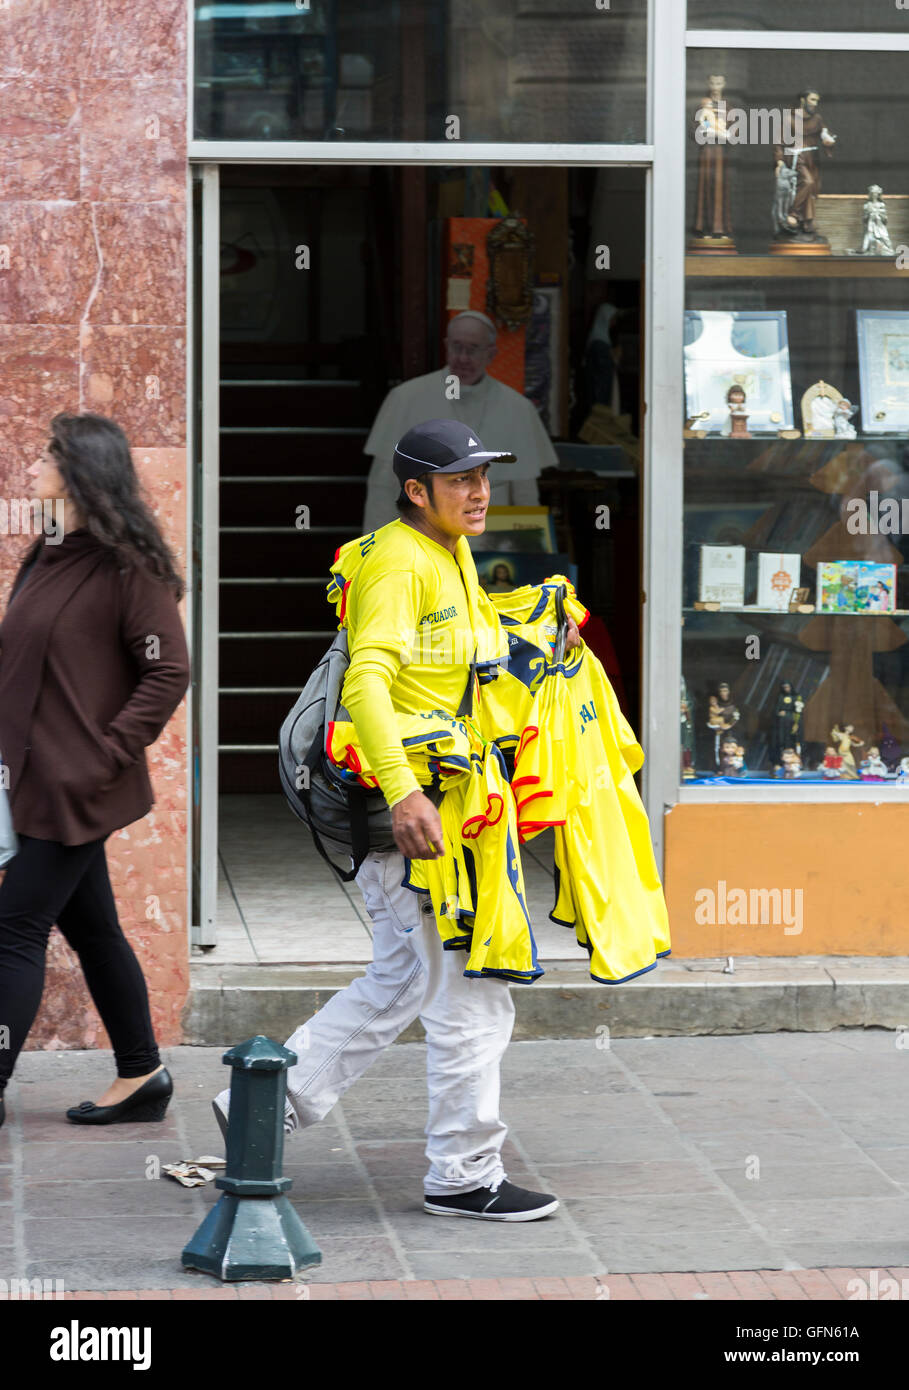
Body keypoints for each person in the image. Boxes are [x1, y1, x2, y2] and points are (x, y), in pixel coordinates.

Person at [215, 418, 579, 1220]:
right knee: (471, 992)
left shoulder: (449, 554)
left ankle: (268, 1101)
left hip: (450, 813)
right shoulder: (397, 563)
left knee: (405, 978)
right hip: (411, 817)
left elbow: (456, 663)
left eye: (482, 477)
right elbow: (369, 686)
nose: (479, 492)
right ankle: (463, 1171)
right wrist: (405, 791)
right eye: (460, 480)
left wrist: (534, 630)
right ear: (416, 490)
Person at [0, 414, 190, 1129]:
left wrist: (106, 755)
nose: (37, 463)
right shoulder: (47, 551)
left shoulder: (125, 568)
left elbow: (168, 668)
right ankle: (142, 1071)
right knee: (95, 928)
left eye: (50, 454)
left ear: (81, 472)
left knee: (13, 931)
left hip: (74, 786)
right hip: (27, 778)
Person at [360, 311, 559, 535]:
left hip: (491, 538)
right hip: (425, 537)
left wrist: (531, 547)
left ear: (491, 354)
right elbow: (383, 486)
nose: (463, 358)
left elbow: (525, 493)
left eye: (473, 349)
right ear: (446, 346)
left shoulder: (517, 408)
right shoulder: (406, 398)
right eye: (456, 347)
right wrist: (374, 546)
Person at [772, 89, 836, 244]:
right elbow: (779, 141)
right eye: (812, 100)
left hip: (812, 158)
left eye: (817, 101)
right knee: (807, 183)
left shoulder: (817, 119)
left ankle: (807, 224)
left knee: (812, 190)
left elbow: (824, 136)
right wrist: (779, 161)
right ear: (803, 100)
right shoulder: (790, 119)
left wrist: (828, 143)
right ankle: (793, 214)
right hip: (796, 156)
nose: (815, 104)